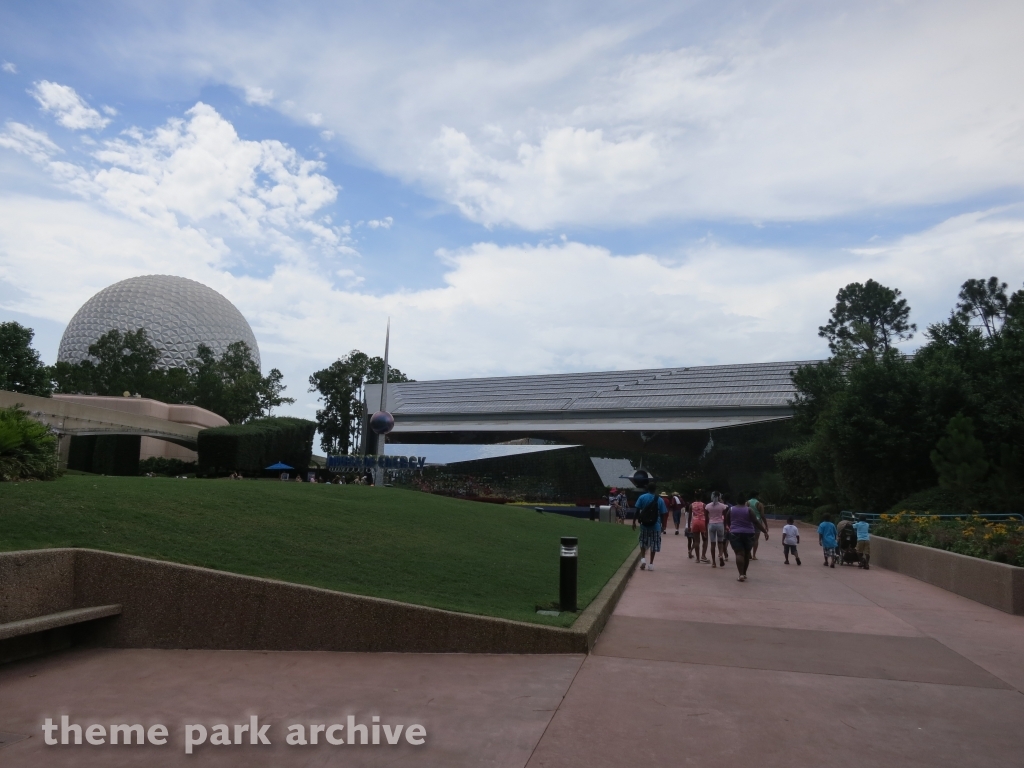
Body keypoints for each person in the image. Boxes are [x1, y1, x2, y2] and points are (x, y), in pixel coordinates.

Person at [725, 499, 768, 582]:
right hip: (749, 533)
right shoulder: (749, 510)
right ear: (745, 502)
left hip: (735, 533)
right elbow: (755, 522)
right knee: (747, 554)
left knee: (739, 553)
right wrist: (764, 531)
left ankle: (740, 574)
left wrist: (731, 527)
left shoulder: (731, 509)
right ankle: (744, 573)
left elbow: (727, 520)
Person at [632, 485, 668, 571]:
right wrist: (663, 525)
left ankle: (643, 558)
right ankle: (651, 564)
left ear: (648, 489)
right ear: (655, 490)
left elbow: (637, 510)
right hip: (655, 525)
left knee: (642, 541)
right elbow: (663, 514)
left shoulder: (642, 497)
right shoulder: (659, 499)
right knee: (654, 543)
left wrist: (634, 521)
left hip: (644, 524)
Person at [705, 492, 729, 568]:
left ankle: (714, 562)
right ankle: (721, 555)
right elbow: (725, 518)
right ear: (719, 497)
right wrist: (725, 527)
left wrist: (705, 529)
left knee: (712, 544)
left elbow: (706, 519)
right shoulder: (723, 506)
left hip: (711, 524)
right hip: (720, 524)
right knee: (720, 542)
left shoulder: (708, 506)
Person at [747, 491, 769, 560]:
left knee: (749, 538)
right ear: (756, 496)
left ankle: (749, 553)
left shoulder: (747, 503)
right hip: (757, 521)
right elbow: (762, 515)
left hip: (749, 521)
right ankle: (754, 555)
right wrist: (766, 525)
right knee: (756, 539)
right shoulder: (759, 504)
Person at [689, 496, 709, 563]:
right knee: (705, 539)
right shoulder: (704, 505)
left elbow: (689, 517)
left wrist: (689, 526)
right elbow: (706, 516)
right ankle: (703, 555)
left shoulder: (691, 505)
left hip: (695, 522)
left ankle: (697, 558)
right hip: (702, 522)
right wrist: (707, 526)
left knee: (696, 541)